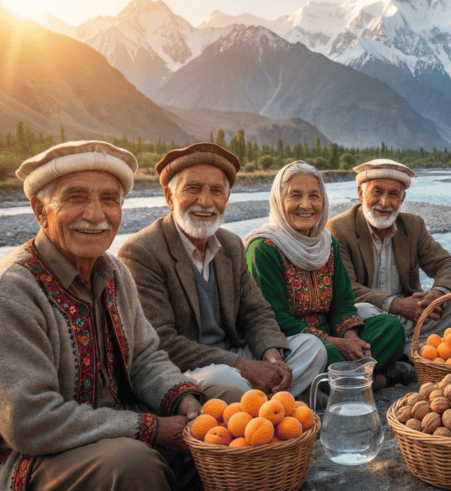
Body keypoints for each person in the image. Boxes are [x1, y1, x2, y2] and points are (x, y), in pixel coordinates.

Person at [0, 141, 206, 491]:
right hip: (12, 458)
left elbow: (145, 358)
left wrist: (183, 400)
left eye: (110, 200)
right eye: (75, 197)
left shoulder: (115, 273)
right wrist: (153, 429)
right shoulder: (7, 292)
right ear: (40, 210)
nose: (97, 215)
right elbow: (30, 422)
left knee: (217, 409)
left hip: (107, 430)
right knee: (132, 465)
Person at [119, 143, 326, 403]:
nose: (206, 202)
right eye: (193, 189)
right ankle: (268, 404)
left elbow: (256, 312)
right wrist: (243, 366)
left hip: (234, 356)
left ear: (226, 198)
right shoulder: (142, 251)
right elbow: (162, 342)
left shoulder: (231, 245)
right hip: (185, 368)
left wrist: (271, 357)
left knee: (312, 348)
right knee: (228, 381)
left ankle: (259, 407)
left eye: (216, 191)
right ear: (169, 197)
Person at [245, 161, 407, 388]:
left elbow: (343, 302)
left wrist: (351, 340)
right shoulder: (263, 250)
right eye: (295, 196)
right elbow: (275, 320)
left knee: (391, 328)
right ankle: (373, 380)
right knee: (322, 354)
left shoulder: (327, 244)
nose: (306, 205)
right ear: (279, 201)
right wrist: (335, 343)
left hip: (333, 334)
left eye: (314, 196)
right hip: (294, 342)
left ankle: (342, 382)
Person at [327, 158, 451, 360]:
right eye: (377, 192)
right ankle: (411, 354)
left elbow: (450, 265)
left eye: (393, 194)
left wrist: (437, 294)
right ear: (360, 193)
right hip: (370, 318)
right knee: (363, 310)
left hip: (410, 316)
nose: (385, 203)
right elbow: (347, 289)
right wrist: (396, 304)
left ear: (402, 199)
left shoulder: (413, 226)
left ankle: (410, 351)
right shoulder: (339, 229)